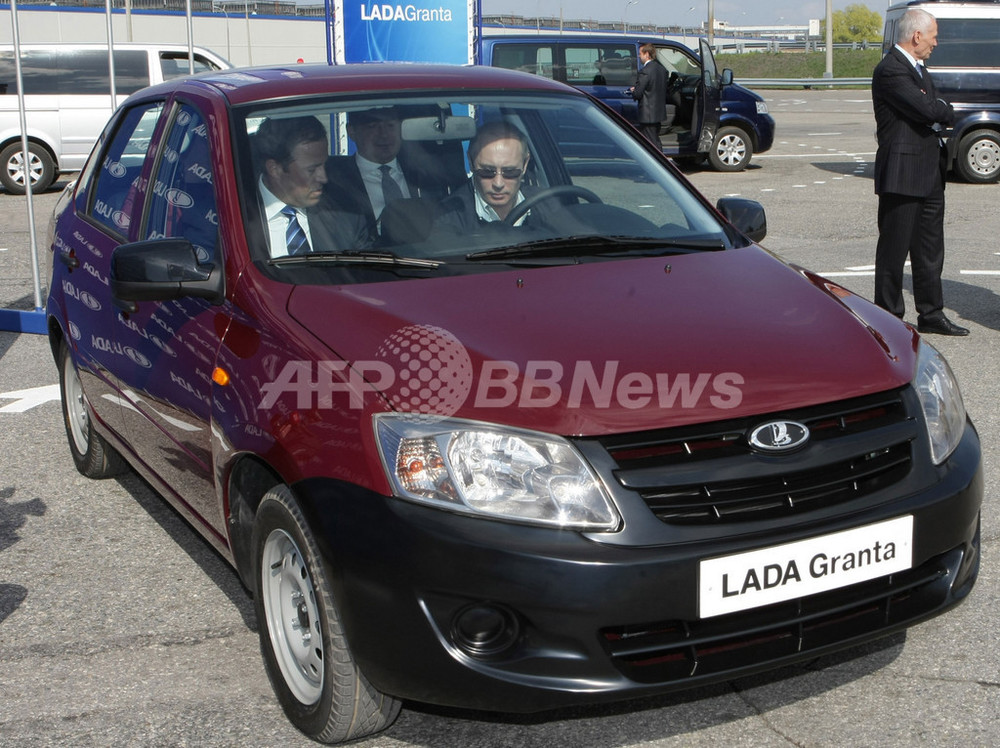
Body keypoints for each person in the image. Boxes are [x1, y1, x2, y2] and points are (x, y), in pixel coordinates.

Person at [872, 8, 967, 336]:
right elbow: (929, 109)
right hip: (902, 173)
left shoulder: (917, 69)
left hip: (929, 173)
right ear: (916, 36)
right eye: (933, 36)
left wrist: (938, 110)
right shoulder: (891, 70)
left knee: (930, 250)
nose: (935, 43)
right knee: (894, 251)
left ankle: (931, 314)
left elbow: (935, 109)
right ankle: (888, 319)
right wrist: (940, 110)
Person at [255, 115, 371, 257]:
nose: (323, 178)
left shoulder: (347, 215)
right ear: (274, 169)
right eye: (311, 170)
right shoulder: (233, 220)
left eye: (324, 165)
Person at [325, 106, 447, 237]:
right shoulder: (333, 181)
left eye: (390, 126)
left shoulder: (427, 173)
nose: (384, 134)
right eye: (372, 126)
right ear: (351, 132)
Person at [433, 121, 542, 232]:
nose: (498, 183)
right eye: (487, 172)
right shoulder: (448, 218)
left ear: (525, 165)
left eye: (510, 172)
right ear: (470, 163)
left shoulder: (550, 206)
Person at [629, 42, 668, 149]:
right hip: (658, 113)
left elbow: (638, 93)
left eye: (640, 53)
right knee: (655, 139)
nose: (639, 56)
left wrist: (633, 91)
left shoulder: (645, 71)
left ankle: (659, 162)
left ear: (647, 54)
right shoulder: (662, 69)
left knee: (652, 143)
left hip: (647, 114)